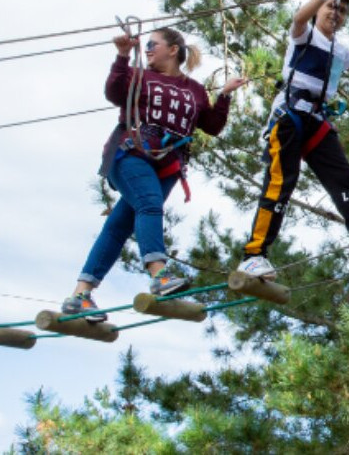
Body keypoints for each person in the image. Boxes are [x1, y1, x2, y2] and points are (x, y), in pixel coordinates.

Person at [63, 28, 246, 321]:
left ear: (173, 50)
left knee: (119, 226)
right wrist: (123, 55)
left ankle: (80, 295)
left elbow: (211, 125)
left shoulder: (195, 90)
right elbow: (113, 92)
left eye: (152, 44)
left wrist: (223, 95)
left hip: (168, 165)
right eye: (146, 46)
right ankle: (159, 275)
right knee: (149, 204)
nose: (147, 49)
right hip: (131, 152)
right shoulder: (139, 76)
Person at [236, 0, 349, 280]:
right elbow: (299, 18)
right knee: (279, 184)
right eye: (331, 8)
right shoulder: (304, 34)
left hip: (316, 121)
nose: (336, 14)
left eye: (342, 11)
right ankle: (253, 254)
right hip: (290, 118)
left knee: (345, 181)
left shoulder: (341, 52)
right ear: (320, 9)